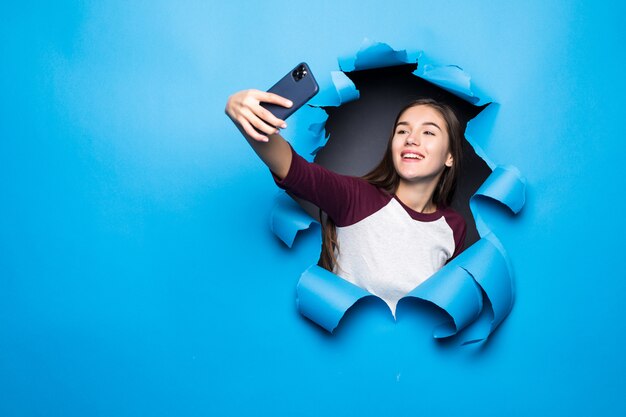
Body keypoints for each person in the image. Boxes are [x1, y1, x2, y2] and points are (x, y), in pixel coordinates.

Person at [225, 89, 466, 315]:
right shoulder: (356, 197)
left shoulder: (454, 227)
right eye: (402, 131)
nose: (411, 139)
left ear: (450, 156)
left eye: (428, 132)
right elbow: (293, 169)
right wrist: (245, 114)